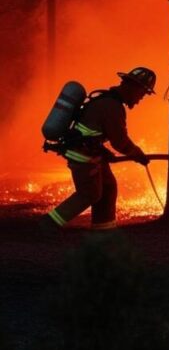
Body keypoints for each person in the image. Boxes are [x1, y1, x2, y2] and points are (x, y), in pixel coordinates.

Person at [40, 67, 155, 233]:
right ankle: (48, 224)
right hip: (82, 155)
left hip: (90, 151)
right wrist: (137, 154)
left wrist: (105, 153)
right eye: (142, 94)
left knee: (108, 186)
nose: (140, 99)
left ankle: (103, 229)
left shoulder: (107, 101)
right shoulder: (112, 107)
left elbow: (93, 132)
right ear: (133, 88)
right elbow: (120, 142)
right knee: (89, 194)